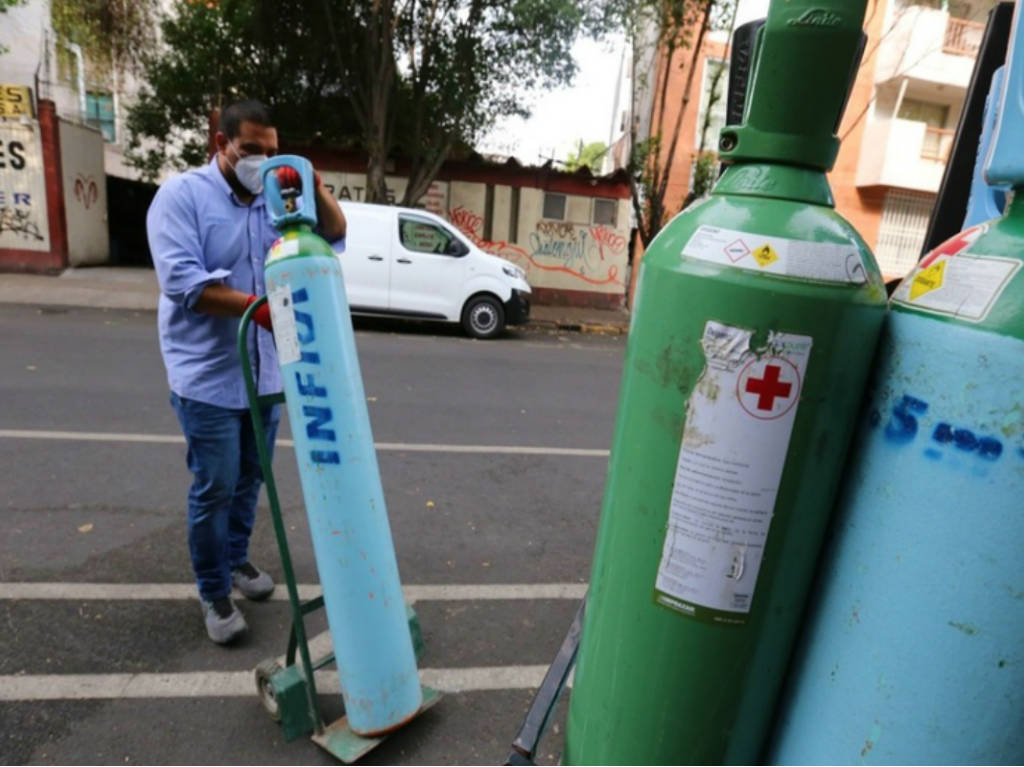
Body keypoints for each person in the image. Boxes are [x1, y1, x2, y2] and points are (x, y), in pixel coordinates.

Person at [147, 100, 346, 644]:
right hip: (208, 376)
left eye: (272, 152)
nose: (262, 161)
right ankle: (213, 591)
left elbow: (333, 234)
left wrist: (313, 183)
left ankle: (236, 560)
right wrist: (259, 308)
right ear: (222, 145)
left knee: (251, 478)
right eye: (251, 151)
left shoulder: (277, 200)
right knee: (215, 485)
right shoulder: (181, 198)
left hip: (267, 375)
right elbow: (188, 286)